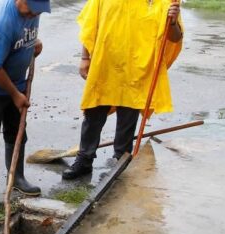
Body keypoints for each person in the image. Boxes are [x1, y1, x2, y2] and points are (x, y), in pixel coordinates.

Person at [62, 0, 183, 180]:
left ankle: (121, 159)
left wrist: (172, 22)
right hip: (106, 63)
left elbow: (175, 37)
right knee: (93, 111)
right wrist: (85, 57)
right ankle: (84, 159)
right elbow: (91, 25)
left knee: (128, 114)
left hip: (137, 68)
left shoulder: (164, 1)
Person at [0, 0, 50, 210]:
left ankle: (17, 178)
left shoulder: (33, 10)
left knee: (17, 130)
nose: (34, 15)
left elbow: (23, 35)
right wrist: (15, 94)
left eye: (38, 11)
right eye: (31, 10)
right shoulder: (0, 22)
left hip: (15, 79)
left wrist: (34, 44)